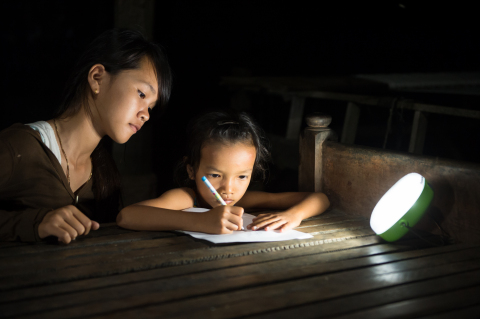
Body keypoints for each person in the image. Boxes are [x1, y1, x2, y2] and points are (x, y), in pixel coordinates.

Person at [0, 29, 172, 243]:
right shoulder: (20, 147)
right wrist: (36, 223)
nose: (145, 115)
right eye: (141, 94)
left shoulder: (104, 174)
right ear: (97, 78)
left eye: (151, 108)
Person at [117, 111, 329, 234]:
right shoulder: (188, 198)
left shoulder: (245, 199)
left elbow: (319, 198)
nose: (228, 189)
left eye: (242, 177)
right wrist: (201, 221)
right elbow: (128, 216)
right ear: (192, 169)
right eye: (215, 175)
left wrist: (293, 215)